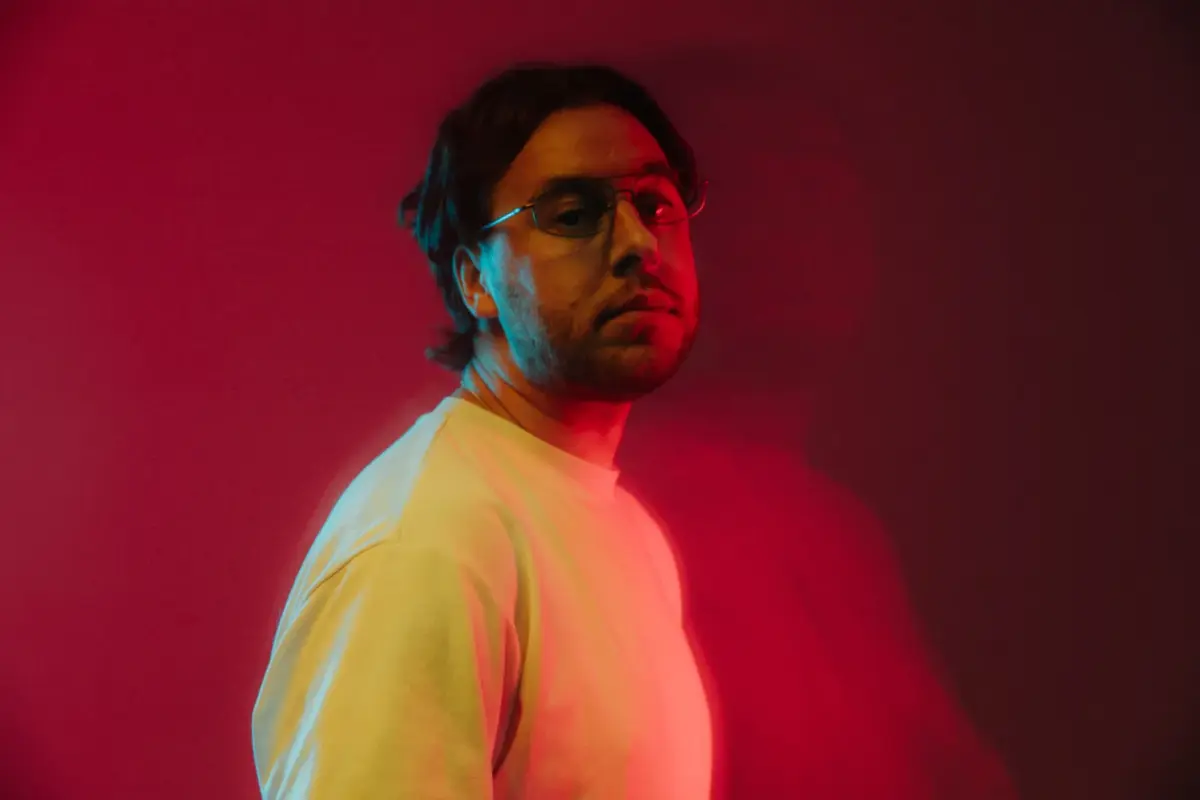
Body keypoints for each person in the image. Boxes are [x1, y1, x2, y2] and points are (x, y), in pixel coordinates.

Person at [251, 63, 712, 798]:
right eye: (573, 214)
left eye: (655, 204)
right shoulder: (431, 540)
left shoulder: (629, 531)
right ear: (476, 280)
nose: (639, 243)